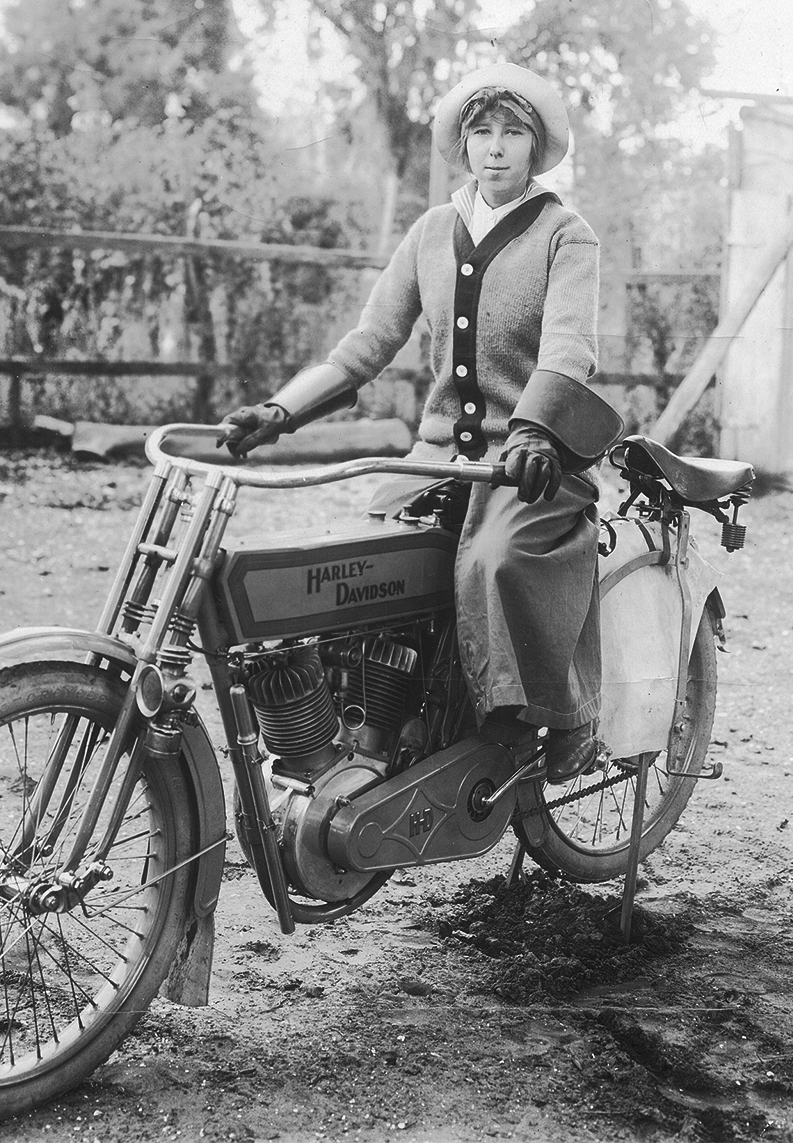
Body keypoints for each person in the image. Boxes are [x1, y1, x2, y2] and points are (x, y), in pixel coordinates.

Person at [218, 62, 623, 783]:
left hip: (528, 458)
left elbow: (569, 347)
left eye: (513, 133)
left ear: (536, 147)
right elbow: (369, 341)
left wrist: (532, 429)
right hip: (434, 457)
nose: (496, 148)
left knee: (494, 558)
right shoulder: (433, 230)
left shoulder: (567, 233)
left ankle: (553, 717)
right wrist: (279, 412)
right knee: (357, 565)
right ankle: (374, 727)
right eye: (481, 132)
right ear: (462, 146)